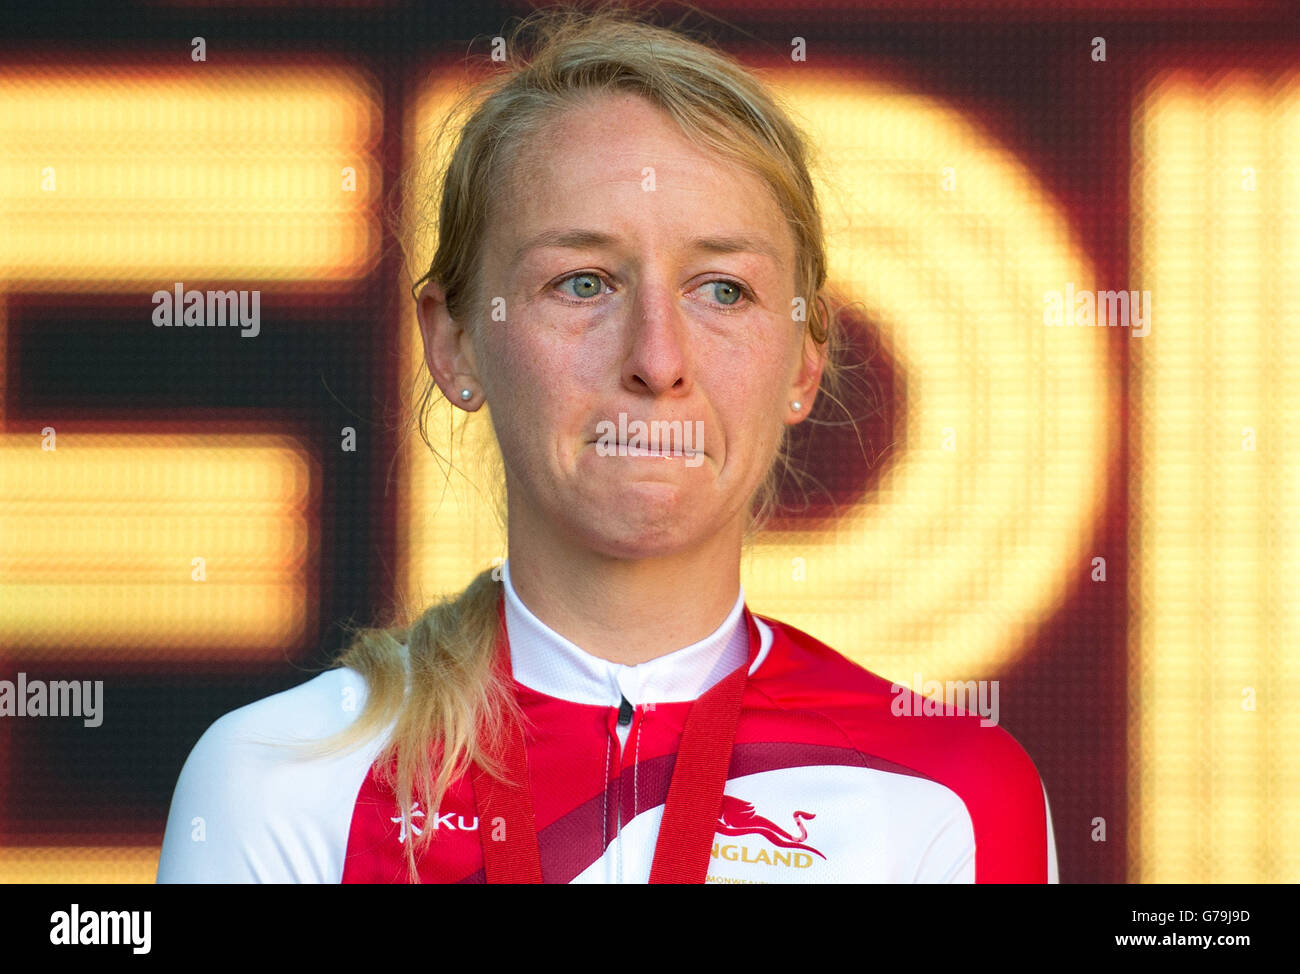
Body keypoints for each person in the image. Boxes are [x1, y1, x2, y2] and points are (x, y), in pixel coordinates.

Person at [157, 3, 1058, 884]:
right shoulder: (281, 778)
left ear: (804, 360)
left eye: (723, 290)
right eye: (582, 282)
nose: (657, 360)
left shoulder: (951, 794)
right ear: (454, 341)